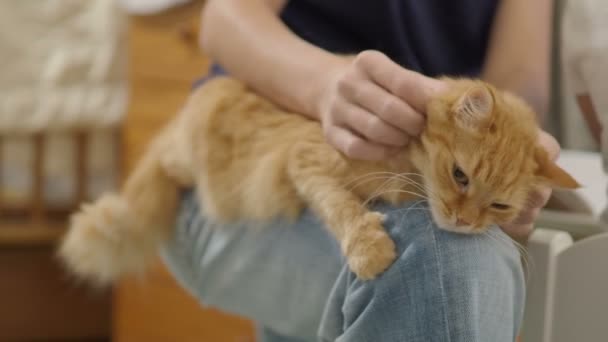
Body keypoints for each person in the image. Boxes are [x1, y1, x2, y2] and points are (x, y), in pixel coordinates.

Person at [161, 1, 558, 341]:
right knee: (447, 263)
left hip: (410, 183)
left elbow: (520, 82)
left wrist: (519, 154)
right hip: (238, 172)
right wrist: (325, 84)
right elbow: (224, 18)